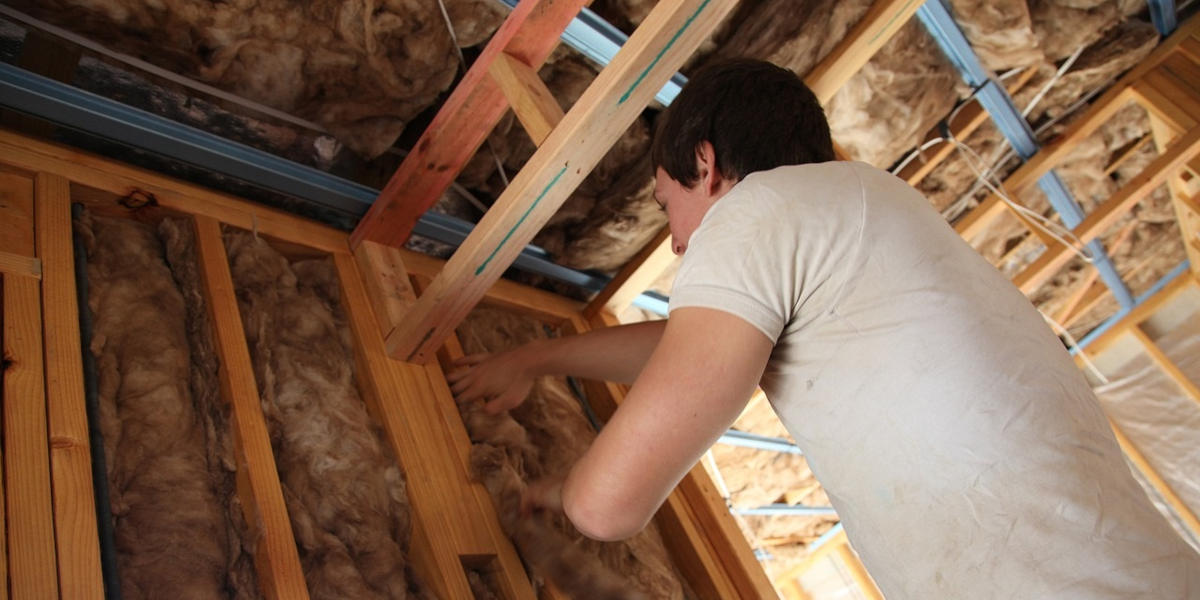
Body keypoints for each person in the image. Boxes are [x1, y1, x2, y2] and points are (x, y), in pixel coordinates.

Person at [447, 58, 1200, 598]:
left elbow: (605, 508)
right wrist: (540, 358)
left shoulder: (758, 211)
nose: (676, 242)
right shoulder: (855, 216)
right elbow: (690, 350)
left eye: (666, 201)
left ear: (705, 164)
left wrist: (565, 492)